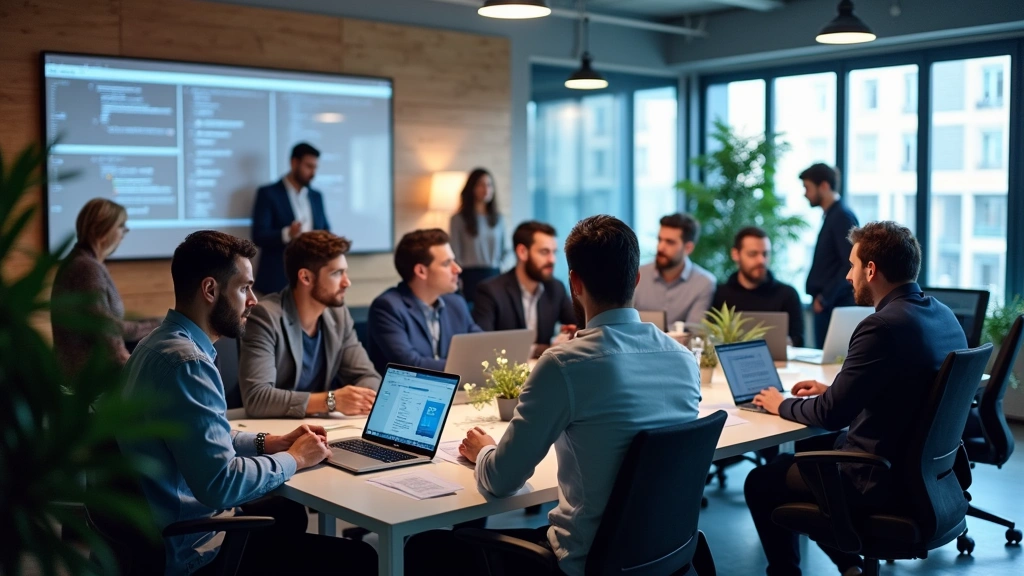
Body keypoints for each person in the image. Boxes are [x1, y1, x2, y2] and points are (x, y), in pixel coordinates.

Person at [405, 215, 702, 576]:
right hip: (666, 554)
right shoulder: (683, 358)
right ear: (636, 278)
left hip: (585, 563)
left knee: (424, 546)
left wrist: (483, 449)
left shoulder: (565, 364)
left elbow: (501, 481)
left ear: (575, 282)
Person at [119, 231, 376, 576]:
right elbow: (221, 484)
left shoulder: (156, 344)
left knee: (286, 514)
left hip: (156, 529)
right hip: (194, 549)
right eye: (244, 288)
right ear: (210, 290)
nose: (253, 300)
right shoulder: (189, 364)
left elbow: (202, 435)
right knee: (361, 559)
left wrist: (269, 442)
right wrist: (296, 458)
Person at [744, 221, 967, 576]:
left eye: (852, 266)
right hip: (925, 476)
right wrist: (832, 390)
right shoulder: (943, 316)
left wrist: (779, 404)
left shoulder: (882, 326)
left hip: (877, 480)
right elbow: (906, 387)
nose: (848, 276)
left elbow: (831, 415)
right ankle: (849, 565)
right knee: (809, 451)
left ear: (871, 270)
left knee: (760, 482)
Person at [239, 231, 380, 418]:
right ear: (305, 277)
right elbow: (257, 398)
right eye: (337, 273)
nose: (347, 282)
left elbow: (368, 377)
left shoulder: (338, 315)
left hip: (320, 425)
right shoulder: (265, 316)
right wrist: (332, 401)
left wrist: (360, 399)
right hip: (271, 428)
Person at [51, 198, 160, 376]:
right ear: (101, 229)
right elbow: (104, 328)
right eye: (121, 226)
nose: (124, 232)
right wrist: (130, 368)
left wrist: (153, 326)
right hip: (92, 378)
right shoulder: (86, 267)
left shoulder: (81, 262)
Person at [366, 228, 482, 375]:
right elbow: (410, 364)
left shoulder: (456, 303)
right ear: (421, 271)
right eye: (447, 263)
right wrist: (469, 366)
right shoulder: (387, 307)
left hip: (456, 387)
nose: (457, 269)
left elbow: (483, 346)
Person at [471, 221, 576, 357]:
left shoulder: (555, 288)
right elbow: (483, 343)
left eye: (554, 252)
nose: (552, 260)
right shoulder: (490, 291)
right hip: (506, 369)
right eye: (544, 252)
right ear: (522, 252)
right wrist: (543, 350)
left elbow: (578, 324)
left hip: (544, 367)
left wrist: (573, 334)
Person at [252, 142, 331, 295]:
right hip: (276, 280)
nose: (313, 172)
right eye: (309, 166)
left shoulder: (316, 196)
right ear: (294, 163)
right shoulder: (268, 193)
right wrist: (288, 234)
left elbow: (325, 229)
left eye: (315, 167)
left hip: (311, 280)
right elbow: (258, 235)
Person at [712, 226, 805, 347]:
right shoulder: (720, 294)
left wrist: (787, 342)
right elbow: (711, 337)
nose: (761, 260)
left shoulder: (787, 294)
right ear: (735, 254)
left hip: (778, 359)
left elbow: (798, 340)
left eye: (765, 254)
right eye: (753, 254)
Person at [801, 163, 858, 348]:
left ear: (824, 186)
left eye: (807, 187)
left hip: (834, 306)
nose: (805, 194)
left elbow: (850, 263)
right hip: (829, 306)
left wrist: (825, 298)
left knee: (831, 360)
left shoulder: (841, 216)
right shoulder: (833, 215)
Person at [633, 212, 716, 326]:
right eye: (660, 240)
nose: (660, 247)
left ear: (688, 248)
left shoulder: (704, 283)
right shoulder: (638, 274)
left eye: (670, 242)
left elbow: (694, 329)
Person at [448, 168, 508, 303]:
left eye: (489, 185)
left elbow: (506, 250)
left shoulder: (499, 219)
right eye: (481, 185)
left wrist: (500, 267)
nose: (486, 189)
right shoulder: (458, 220)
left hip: (494, 274)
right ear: (472, 188)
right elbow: (454, 252)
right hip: (469, 277)